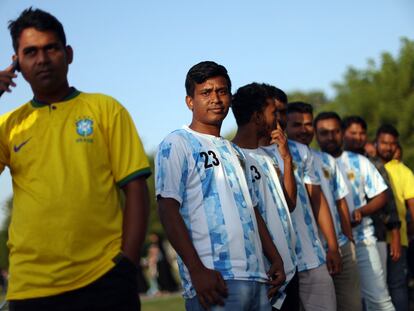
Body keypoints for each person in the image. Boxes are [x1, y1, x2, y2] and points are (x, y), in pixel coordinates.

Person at [0, 8, 151, 311]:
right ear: (18, 63)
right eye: (30, 52)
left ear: (68, 53)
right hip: (30, 288)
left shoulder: (106, 109)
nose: (42, 59)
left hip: (105, 279)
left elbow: (136, 189)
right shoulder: (9, 125)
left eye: (51, 48)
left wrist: (127, 265)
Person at [155, 61, 285, 311]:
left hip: (257, 277)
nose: (215, 98)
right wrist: (197, 270)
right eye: (206, 92)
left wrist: (275, 256)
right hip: (213, 280)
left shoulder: (235, 151)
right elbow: (167, 209)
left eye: (222, 91)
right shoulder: (177, 143)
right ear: (189, 101)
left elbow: (251, 208)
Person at [260, 87, 341, 311]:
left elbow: (318, 200)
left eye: (283, 111)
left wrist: (333, 247)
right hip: (276, 265)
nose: (278, 117)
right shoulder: (247, 153)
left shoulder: (300, 151)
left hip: (312, 257)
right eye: (273, 111)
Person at [314, 112, 395, 311]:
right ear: (316, 135)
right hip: (322, 247)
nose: (330, 137)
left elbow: (382, 194)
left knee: (378, 299)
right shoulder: (310, 160)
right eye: (324, 133)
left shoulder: (359, 161)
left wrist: (361, 211)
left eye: (335, 132)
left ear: (342, 134)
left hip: (362, 241)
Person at [286, 102, 362, 311]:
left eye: (308, 124)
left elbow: (340, 201)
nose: (304, 130)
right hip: (307, 254)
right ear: (285, 125)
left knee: (351, 305)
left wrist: (346, 240)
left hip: (338, 246)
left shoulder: (326, 159)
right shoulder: (280, 159)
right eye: (296, 125)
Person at [231, 83, 298, 310]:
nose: (277, 120)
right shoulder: (232, 158)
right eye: (273, 113)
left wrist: (287, 159)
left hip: (288, 269)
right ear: (258, 117)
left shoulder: (268, 158)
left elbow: (288, 205)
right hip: (267, 275)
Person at [342, 116, 401, 278]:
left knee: (378, 290)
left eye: (362, 133)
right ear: (343, 133)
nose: (358, 137)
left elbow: (388, 201)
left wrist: (395, 234)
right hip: (341, 239)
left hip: (374, 234)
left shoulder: (373, 162)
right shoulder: (331, 160)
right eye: (353, 133)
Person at [376, 124, 414, 311]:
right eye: (384, 143)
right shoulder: (369, 165)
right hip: (375, 237)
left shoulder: (405, 172)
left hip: (400, 238)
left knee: (397, 285)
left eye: (392, 144)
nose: (388, 147)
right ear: (376, 142)